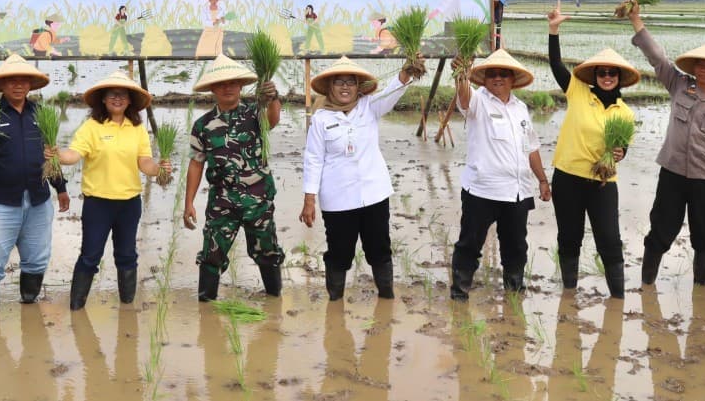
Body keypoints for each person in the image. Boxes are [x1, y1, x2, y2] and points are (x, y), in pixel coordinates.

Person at [626, 1, 705, 286]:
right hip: (673, 174)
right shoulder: (679, 85)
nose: (703, 69)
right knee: (660, 232)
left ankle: (701, 296)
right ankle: (647, 287)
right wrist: (637, 22)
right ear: (694, 67)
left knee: (704, 239)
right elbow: (658, 59)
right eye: (699, 64)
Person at [299, 55, 424, 300]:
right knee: (338, 254)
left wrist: (406, 73)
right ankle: (335, 304)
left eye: (351, 82)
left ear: (358, 87)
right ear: (330, 88)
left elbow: (391, 93)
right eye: (339, 82)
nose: (345, 87)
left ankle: (386, 296)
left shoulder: (369, 106)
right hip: (338, 200)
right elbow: (313, 159)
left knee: (379, 249)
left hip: (374, 195)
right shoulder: (321, 119)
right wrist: (309, 199)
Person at [49, 71, 171, 310]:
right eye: (112, 94)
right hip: (98, 204)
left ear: (130, 101)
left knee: (127, 255)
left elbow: (144, 162)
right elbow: (74, 155)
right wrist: (58, 155)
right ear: (103, 99)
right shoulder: (92, 127)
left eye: (123, 95)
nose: (117, 98)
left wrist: (159, 169)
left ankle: (127, 307)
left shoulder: (137, 129)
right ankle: (76, 307)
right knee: (90, 256)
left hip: (129, 203)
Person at [0, 54, 69, 310]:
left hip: (38, 200)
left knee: (37, 257)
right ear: (2, 86)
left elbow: (50, 155)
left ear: (30, 84)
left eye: (23, 81)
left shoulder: (39, 114)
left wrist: (60, 188)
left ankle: (29, 307)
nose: (18, 85)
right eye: (11, 81)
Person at [547, 2, 639, 298]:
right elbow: (556, 65)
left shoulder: (624, 113)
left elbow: (621, 148)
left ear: (620, 77)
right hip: (568, 178)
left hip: (602, 183)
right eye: (602, 72)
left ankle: (618, 300)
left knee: (610, 240)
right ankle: (569, 293)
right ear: (595, 74)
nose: (607, 76)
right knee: (570, 238)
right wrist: (554, 30)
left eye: (613, 73)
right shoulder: (577, 91)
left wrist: (620, 153)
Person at [449, 49, 551, 301]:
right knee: (470, 244)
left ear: (512, 79)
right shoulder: (478, 102)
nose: (497, 78)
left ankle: (514, 292)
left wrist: (542, 179)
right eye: (492, 74)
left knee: (516, 246)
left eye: (503, 74)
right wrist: (460, 75)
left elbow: (531, 147)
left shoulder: (521, 109)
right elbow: (463, 98)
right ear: (483, 79)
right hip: (482, 191)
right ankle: (459, 294)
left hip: (517, 192)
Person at [183, 54, 284, 300]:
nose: (227, 88)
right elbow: (196, 164)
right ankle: (206, 306)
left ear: (240, 86)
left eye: (232, 83)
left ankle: (274, 300)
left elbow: (272, 119)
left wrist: (272, 97)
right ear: (212, 89)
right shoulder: (203, 125)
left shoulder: (254, 114)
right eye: (221, 84)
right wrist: (188, 203)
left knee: (267, 252)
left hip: (257, 200)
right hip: (222, 202)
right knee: (211, 255)